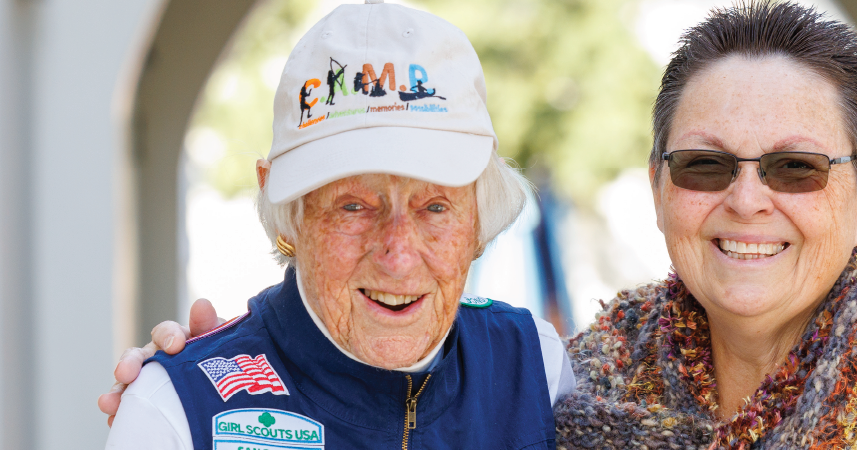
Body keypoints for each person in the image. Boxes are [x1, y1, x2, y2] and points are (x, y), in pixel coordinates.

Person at [112, 2, 857, 448]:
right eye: (706, 164)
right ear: (660, 188)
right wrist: (199, 388)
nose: (748, 201)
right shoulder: (587, 381)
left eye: (795, 167)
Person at [101, 2, 573, 449]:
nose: (398, 254)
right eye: (354, 207)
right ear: (288, 211)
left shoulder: (540, 371)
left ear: (477, 221)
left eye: (434, 207)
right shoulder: (175, 412)